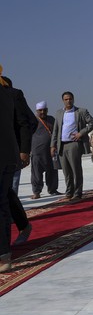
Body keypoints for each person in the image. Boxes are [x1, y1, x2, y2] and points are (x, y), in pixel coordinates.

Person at [0, 65, 34, 271]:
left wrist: (24, 149)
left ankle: (4, 255)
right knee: (6, 197)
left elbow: (27, 123)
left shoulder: (11, 94)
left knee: (1, 202)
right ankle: (22, 225)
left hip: (6, 155)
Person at [51, 91, 93, 201]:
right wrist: (52, 145)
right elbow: (55, 130)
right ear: (63, 100)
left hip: (74, 145)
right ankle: (69, 192)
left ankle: (77, 193)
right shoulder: (58, 113)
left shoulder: (81, 112)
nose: (68, 101)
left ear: (73, 99)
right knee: (66, 171)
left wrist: (81, 133)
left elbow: (92, 123)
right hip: (61, 145)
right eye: (66, 99)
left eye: (70, 99)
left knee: (76, 170)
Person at [30, 101, 60, 198]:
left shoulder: (51, 119)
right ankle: (36, 192)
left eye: (44, 110)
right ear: (36, 111)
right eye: (40, 110)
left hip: (51, 151)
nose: (42, 112)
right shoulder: (32, 120)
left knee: (52, 171)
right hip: (37, 152)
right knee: (36, 173)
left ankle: (53, 189)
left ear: (47, 110)